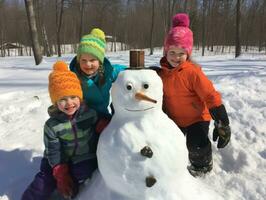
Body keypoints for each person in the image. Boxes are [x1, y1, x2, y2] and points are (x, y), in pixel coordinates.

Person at [156, 13, 231, 176]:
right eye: (172, 52)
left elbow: (210, 94)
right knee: (170, 142)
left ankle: (202, 166)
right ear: (165, 52)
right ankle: (172, 166)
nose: (176, 57)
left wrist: (221, 119)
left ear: (188, 54)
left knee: (196, 144)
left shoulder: (192, 72)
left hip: (198, 118)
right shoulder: (162, 74)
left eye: (181, 53)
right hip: (176, 118)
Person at [22, 61, 106, 200]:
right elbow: (53, 150)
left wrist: (104, 125)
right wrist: (60, 173)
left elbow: (102, 124)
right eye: (62, 99)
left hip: (82, 157)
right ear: (55, 102)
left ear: (80, 97)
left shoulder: (90, 114)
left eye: (73, 97)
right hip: (56, 161)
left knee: (82, 173)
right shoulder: (52, 125)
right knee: (42, 184)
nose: (69, 103)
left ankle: (73, 192)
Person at [69, 28, 126, 118]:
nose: (87, 64)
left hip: (104, 116)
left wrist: (140, 70)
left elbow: (121, 69)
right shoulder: (73, 77)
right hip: (83, 119)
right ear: (78, 60)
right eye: (83, 60)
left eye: (92, 60)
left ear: (100, 61)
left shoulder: (107, 72)